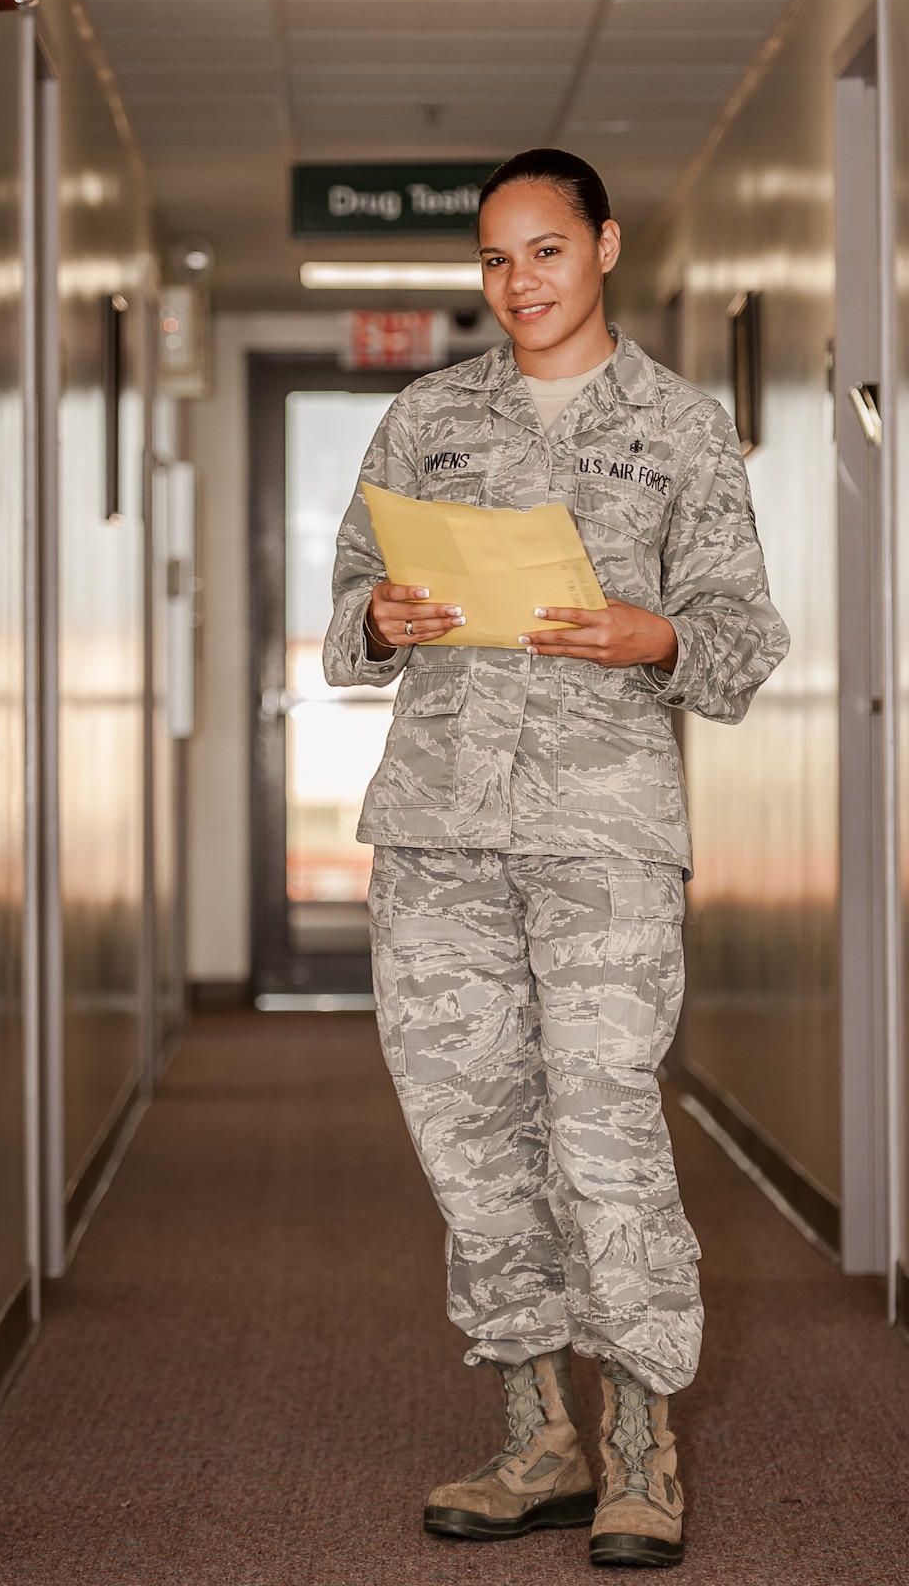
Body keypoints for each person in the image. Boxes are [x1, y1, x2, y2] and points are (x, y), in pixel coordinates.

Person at [324, 148, 788, 1568]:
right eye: (493, 259)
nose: (517, 283)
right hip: (438, 831)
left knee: (603, 1133)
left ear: (604, 246)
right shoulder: (428, 417)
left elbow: (740, 639)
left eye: (543, 251)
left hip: (603, 840)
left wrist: (649, 635)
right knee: (469, 1137)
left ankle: (643, 1447)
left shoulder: (681, 426)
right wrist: (378, 622)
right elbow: (346, 604)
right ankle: (539, 1436)